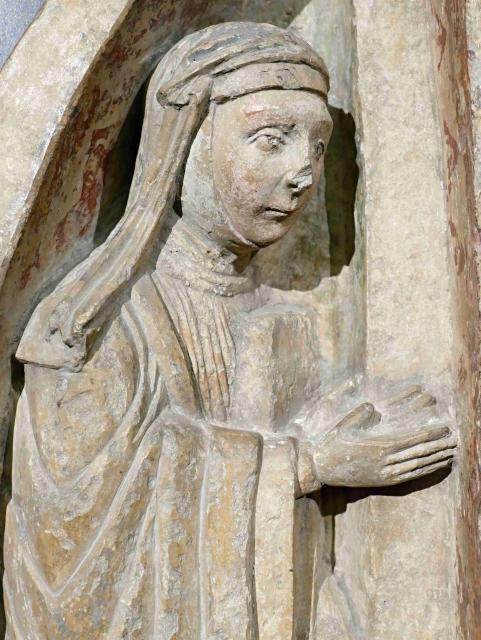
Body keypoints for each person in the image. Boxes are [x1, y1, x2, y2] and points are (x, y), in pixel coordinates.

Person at [3, 22, 455, 639]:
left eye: (316, 147)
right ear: (185, 144)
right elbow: (77, 534)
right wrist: (307, 462)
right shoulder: (93, 321)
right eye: (272, 140)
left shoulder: (291, 318)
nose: (302, 173)